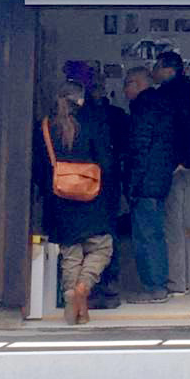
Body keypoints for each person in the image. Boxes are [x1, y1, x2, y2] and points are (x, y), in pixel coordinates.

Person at [37, 80, 113, 325]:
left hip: (59, 198)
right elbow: (106, 160)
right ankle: (84, 285)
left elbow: (39, 166)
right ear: (80, 99)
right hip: (91, 196)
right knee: (101, 246)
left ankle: (71, 293)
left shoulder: (46, 127)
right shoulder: (92, 122)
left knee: (70, 251)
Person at [124, 65, 176, 303]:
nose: (124, 90)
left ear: (137, 84)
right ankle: (158, 285)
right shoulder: (163, 104)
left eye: (127, 83)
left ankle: (154, 287)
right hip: (160, 179)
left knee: (145, 235)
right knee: (155, 233)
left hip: (145, 181)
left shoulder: (143, 108)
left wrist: (132, 183)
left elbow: (139, 149)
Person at [79, 63, 128, 311]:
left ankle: (89, 287)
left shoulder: (83, 117)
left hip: (82, 183)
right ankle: (96, 287)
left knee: (93, 237)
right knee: (104, 237)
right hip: (103, 181)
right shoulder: (112, 116)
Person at [152, 51, 190, 295]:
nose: (153, 71)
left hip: (171, 167)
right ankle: (177, 281)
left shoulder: (167, 98)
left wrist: (180, 161)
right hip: (179, 165)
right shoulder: (185, 95)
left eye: (156, 66)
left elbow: (181, 132)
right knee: (174, 223)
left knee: (171, 224)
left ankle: (175, 282)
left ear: (168, 69)